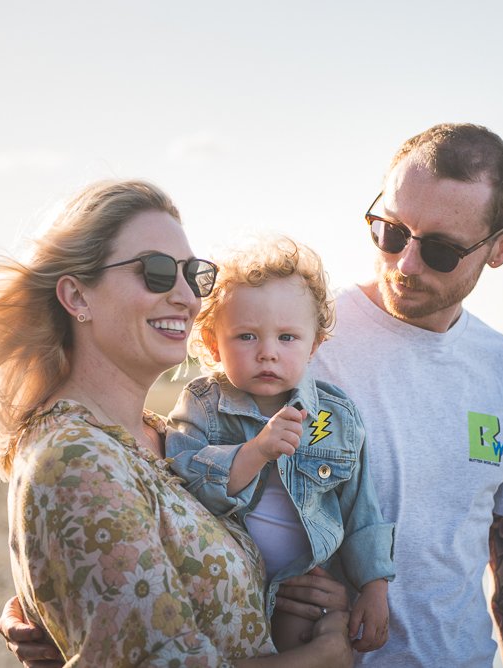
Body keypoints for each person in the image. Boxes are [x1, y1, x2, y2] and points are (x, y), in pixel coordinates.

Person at [1, 122, 503, 667]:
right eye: (390, 231)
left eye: (440, 249)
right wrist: (58, 599)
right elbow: (157, 502)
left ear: (502, 247)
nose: (405, 262)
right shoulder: (281, 337)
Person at [0, 179, 353, 666]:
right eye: (154, 272)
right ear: (76, 296)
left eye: (193, 275)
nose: (186, 298)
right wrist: (323, 658)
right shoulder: (75, 459)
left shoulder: (158, 434)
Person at [164, 236, 395, 653]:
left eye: (287, 338)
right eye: (247, 336)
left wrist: (374, 588)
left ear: (314, 346)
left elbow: (361, 508)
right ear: (215, 343)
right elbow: (182, 487)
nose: (267, 353)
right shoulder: (202, 405)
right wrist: (255, 452)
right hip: (225, 589)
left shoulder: (332, 417)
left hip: (303, 587)